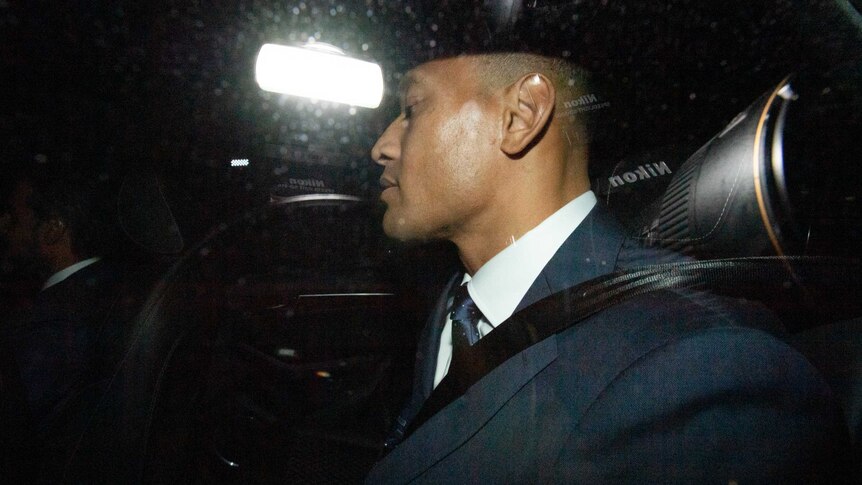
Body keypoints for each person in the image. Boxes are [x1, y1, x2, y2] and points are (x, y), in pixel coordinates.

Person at [365, 53, 850, 483]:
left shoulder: (696, 371)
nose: (381, 146)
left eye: (411, 110)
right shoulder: (458, 304)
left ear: (520, 116)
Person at [0, 167, 122, 480]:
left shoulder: (51, 326)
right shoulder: (109, 286)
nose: (3, 227)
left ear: (53, 230)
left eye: (13, 217)